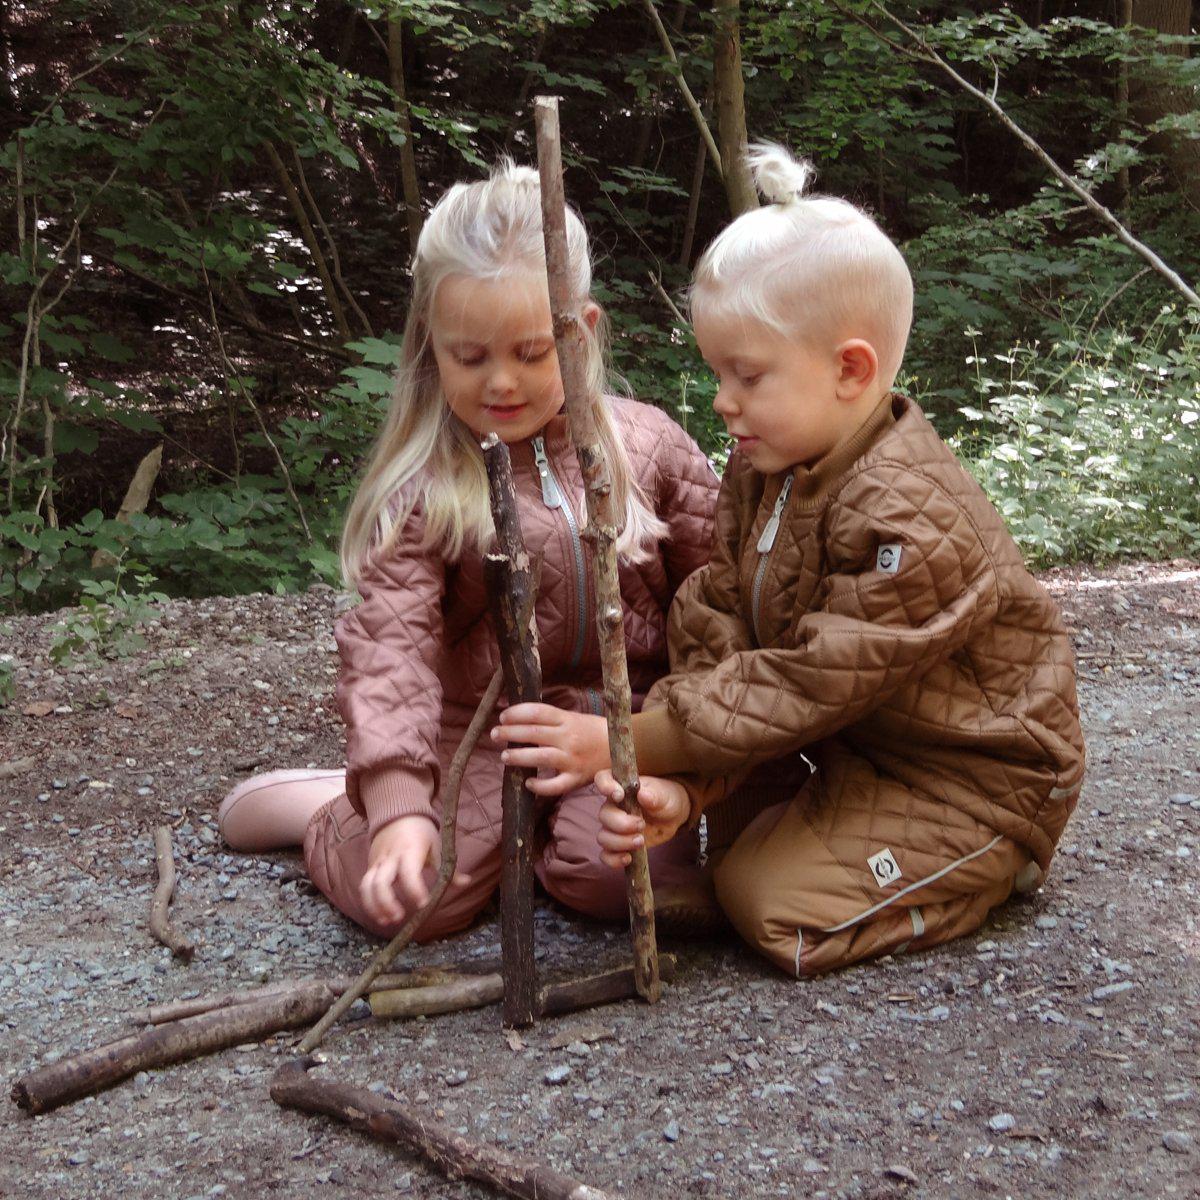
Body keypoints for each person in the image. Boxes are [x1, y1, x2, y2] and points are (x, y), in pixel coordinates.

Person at [493, 144, 1086, 976]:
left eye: (747, 376)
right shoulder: (768, 466)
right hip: (856, 749)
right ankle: (814, 840)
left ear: (850, 370)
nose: (723, 403)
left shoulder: (911, 518)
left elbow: (810, 679)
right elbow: (720, 615)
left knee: (770, 911)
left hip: (976, 778)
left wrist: (626, 739)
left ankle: (990, 866)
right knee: (731, 863)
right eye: (716, 374)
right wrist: (688, 787)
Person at [217, 160, 719, 940]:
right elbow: (392, 652)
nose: (502, 381)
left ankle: (557, 843)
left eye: (530, 350)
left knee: (613, 882)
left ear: (580, 331)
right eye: (471, 356)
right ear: (432, 345)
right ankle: (329, 807)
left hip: (625, 728)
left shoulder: (649, 447)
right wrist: (395, 808)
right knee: (420, 902)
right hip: (476, 734)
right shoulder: (426, 484)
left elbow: (717, 599)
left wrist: (684, 751)